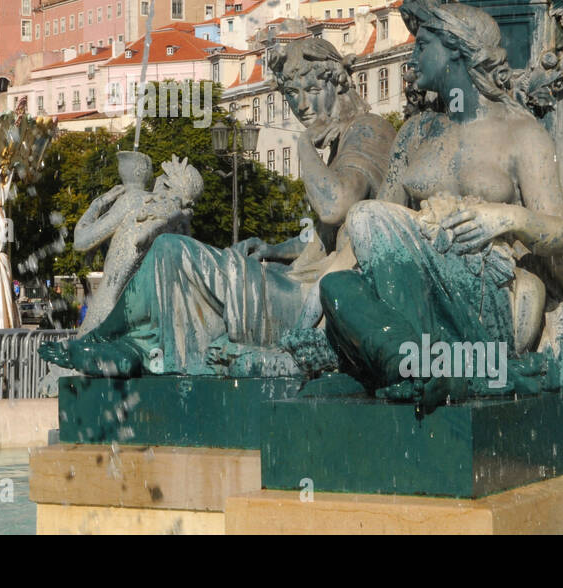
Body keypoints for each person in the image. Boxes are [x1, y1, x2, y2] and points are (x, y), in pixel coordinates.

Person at [40, 36, 396, 376]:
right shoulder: (345, 139)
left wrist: (303, 145)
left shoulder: (369, 130)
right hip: (299, 285)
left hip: (311, 303)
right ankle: (134, 349)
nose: (301, 105)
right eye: (291, 94)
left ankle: (106, 340)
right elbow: (332, 236)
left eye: (313, 91)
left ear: (340, 83)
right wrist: (278, 249)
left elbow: (335, 206)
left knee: (172, 252)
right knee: (185, 267)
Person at [320, 0, 563, 408]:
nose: (411, 58)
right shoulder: (415, 134)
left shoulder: (521, 134)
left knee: (365, 218)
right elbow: (375, 235)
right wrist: (316, 294)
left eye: (422, 45)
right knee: (337, 288)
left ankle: (415, 362)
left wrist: (507, 217)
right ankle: (416, 367)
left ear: (456, 50)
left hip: (482, 293)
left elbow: (560, 234)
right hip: (413, 288)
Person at [72, 155, 204, 333]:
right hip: (146, 321)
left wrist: (99, 203)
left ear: (167, 185)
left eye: (163, 178)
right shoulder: (179, 224)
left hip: (107, 313)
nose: (157, 181)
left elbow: (81, 240)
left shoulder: (135, 200)